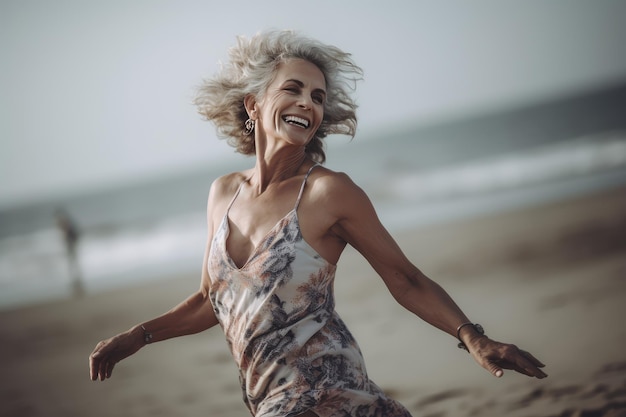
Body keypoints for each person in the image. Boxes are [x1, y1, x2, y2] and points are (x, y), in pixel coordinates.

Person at [89, 30, 547, 417]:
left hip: (326, 392)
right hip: (266, 398)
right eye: (293, 89)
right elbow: (214, 300)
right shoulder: (222, 192)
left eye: (318, 97)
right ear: (253, 104)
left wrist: (474, 338)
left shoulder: (328, 193)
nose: (307, 103)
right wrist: (139, 336)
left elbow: (404, 278)